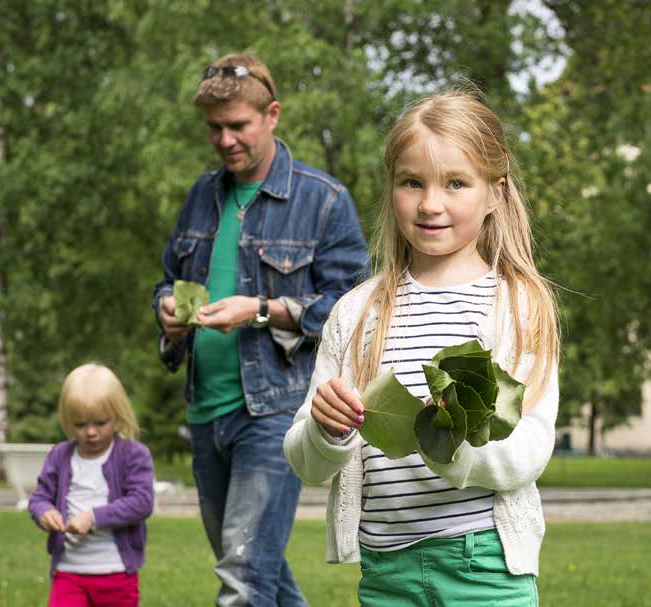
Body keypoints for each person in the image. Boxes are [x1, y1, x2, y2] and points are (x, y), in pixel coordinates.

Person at [283, 88, 560, 606]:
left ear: (495, 193)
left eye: (456, 183)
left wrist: (452, 442)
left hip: (485, 566)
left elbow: (529, 452)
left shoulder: (516, 306)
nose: (431, 204)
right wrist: (325, 429)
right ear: (391, 187)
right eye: (412, 182)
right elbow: (308, 464)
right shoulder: (357, 313)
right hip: (386, 569)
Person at [152, 53, 369, 606]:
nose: (225, 140)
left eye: (238, 126)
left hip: (275, 413)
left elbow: (352, 308)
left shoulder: (325, 200)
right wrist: (167, 315)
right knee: (261, 577)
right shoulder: (202, 196)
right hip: (206, 411)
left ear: (272, 114)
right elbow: (169, 279)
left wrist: (261, 309)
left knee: (243, 578)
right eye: (214, 128)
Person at [28, 363, 155, 607]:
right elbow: (39, 498)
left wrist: (93, 517)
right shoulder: (60, 455)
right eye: (79, 424)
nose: (91, 432)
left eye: (100, 422)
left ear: (117, 415)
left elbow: (142, 502)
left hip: (117, 572)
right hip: (68, 571)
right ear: (67, 420)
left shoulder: (133, 454)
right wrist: (44, 512)